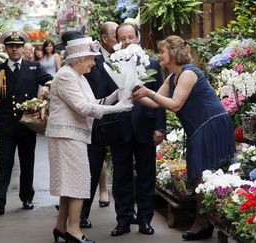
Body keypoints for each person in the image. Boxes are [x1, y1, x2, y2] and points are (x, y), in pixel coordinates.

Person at [132, 35, 235, 241]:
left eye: (162, 51)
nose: (159, 55)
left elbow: (174, 104)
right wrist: (131, 93)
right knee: (200, 175)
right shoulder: (173, 77)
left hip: (210, 124)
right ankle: (205, 220)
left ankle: (204, 221)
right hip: (199, 128)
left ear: (173, 53)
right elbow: (154, 103)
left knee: (202, 174)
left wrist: (147, 93)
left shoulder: (188, 74)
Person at [46, 37, 132, 243]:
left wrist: (117, 94)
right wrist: (117, 108)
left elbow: (94, 103)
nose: (93, 63)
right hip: (66, 137)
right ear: (79, 59)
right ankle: (73, 231)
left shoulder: (77, 75)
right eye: (91, 59)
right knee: (77, 183)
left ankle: (60, 227)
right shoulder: (67, 76)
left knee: (70, 184)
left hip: (71, 136)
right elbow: (85, 108)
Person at [110, 22, 166, 237]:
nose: (127, 42)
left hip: (145, 126)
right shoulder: (111, 64)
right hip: (120, 128)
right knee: (122, 177)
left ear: (137, 38)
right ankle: (123, 220)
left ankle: (145, 220)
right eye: (122, 38)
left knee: (146, 177)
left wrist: (160, 127)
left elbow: (161, 97)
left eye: (131, 37)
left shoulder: (151, 62)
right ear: (117, 41)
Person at [0, 30, 53, 215]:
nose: (14, 50)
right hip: (5, 123)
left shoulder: (33, 67)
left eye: (18, 46)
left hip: (27, 123)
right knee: (5, 162)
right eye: (11, 46)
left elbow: (51, 81)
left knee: (27, 161)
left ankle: (27, 197)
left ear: (22, 48)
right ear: (5, 48)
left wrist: (45, 89)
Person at [78, 21, 119, 229]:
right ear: (104, 38)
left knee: (123, 171)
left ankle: (126, 217)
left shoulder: (126, 57)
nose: (119, 38)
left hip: (120, 120)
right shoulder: (92, 59)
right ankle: (82, 214)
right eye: (115, 34)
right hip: (95, 122)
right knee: (91, 170)